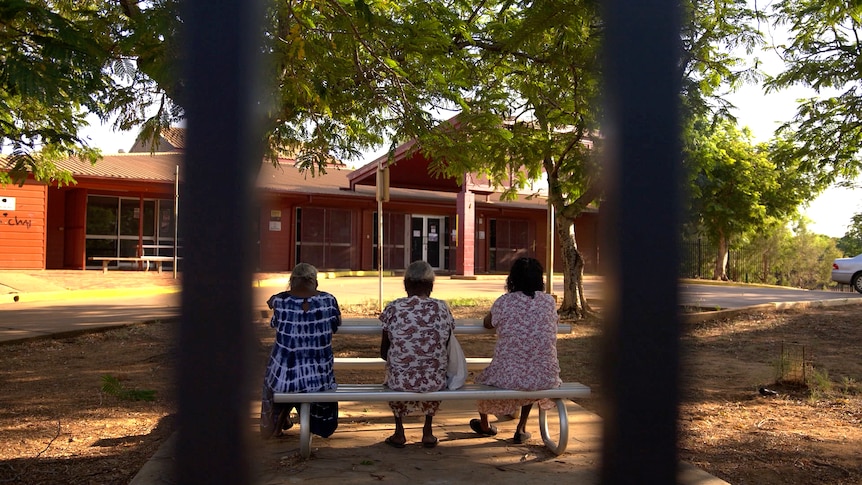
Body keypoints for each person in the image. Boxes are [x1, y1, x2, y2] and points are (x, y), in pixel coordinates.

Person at [469, 257, 562, 444]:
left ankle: (485, 424)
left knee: (480, 380)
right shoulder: (548, 302)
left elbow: (488, 324)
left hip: (510, 375)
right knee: (529, 374)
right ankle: (521, 427)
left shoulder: (504, 302)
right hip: (545, 376)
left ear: (512, 280)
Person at [260, 262, 341, 440]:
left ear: (291, 281)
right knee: (297, 377)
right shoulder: (328, 300)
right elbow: (335, 326)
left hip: (284, 378)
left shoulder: (279, 301)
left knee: (276, 374)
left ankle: (275, 423)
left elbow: (275, 321)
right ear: (315, 282)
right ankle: (290, 421)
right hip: (320, 378)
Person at [379, 260, 455, 448]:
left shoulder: (394, 307)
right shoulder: (442, 308)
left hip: (400, 382)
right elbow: (445, 344)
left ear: (405, 285)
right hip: (433, 382)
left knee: (395, 371)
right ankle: (427, 432)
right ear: (431, 286)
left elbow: (383, 351)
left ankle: (399, 432)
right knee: (434, 370)